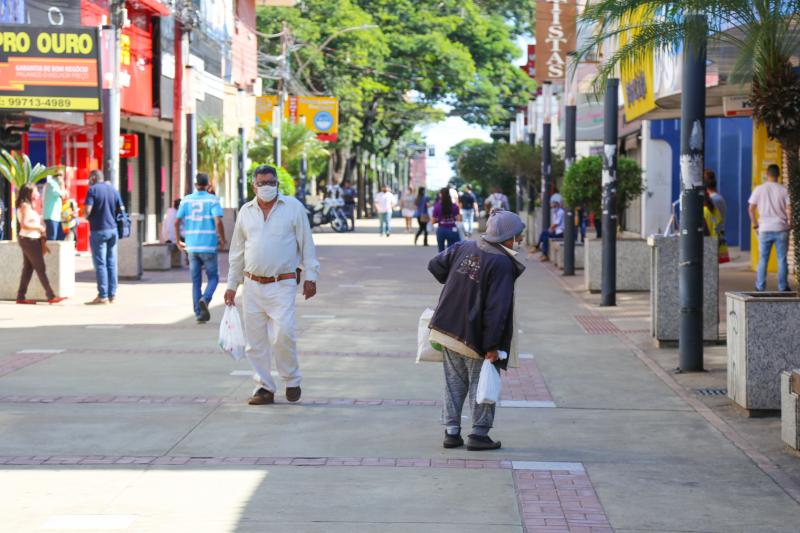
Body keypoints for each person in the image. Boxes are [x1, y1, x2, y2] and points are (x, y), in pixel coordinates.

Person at [427, 209, 526, 451]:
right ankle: (479, 434)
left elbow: (435, 264)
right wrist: (492, 346)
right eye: (518, 235)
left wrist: (458, 283)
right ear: (506, 237)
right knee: (480, 382)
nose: (521, 240)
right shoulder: (502, 262)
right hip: (475, 335)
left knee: (453, 382)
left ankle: (451, 432)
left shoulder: (465, 246)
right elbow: (497, 309)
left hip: (447, 327)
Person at [225, 164, 320, 405]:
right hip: (252, 285)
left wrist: (311, 276)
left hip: (283, 283)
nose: (267, 187)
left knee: (283, 335)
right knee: (255, 342)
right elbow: (237, 251)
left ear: (277, 183)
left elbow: (306, 244)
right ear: (253, 185)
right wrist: (232, 284)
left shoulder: (293, 208)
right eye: (262, 183)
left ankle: (292, 380)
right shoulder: (246, 212)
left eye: (271, 182)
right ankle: (264, 388)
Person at [175, 173, 226, 324]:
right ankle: (206, 298)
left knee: (196, 281)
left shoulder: (186, 200)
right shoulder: (213, 200)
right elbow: (218, 222)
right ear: (208, 185)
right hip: (208, 245)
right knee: (213, 277)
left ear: (195, 184)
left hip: (191, 246)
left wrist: (178, 241)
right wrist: (222, 239)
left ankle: (198, 313)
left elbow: (176, 222)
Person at [15, 183, 66, 304]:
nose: (38, 193)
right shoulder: (25, 206)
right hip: (29, 240)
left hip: (29, 239)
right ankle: (50, 295)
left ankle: (21, 296)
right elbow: (24, 224)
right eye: (35, 191)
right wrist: (39, 228)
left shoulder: (28, 206)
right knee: (40, 267)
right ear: (29, 193)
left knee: (28, 269)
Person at [749, 164, 791, 292]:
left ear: (767, 174)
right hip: (781, 228)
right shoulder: (784, 190)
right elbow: (789, 209)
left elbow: (751, 209)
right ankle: (783, 287)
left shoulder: (759, 189)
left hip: (764, 229)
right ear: (778, 175)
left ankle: (760, 287)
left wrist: (755, 224)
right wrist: (789, 223)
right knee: (782, 259)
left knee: (763, 259)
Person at [84, 169, 123, 305]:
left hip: (98, 230)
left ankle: (103, 295)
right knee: (111, 262)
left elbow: (87, 211)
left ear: (94, 178)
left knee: (100, 263)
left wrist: (85, 215)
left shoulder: (92, 190)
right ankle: (112, 294)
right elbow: (120, 210)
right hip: (113, 230)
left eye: (90, 178)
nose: (89, 181)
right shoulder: (113, 190)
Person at [432, 187, 461, 252]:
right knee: (451, 251)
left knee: (441, 251)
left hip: (441, 230)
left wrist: (440, 220)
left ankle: (442, 262)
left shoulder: (437, 206)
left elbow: (433, 221)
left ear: (440, 195)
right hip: (452, 230)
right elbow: (459, 219)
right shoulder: (455, 206)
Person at [43, 172, 66, 241]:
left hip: (56, 217)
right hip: (51, 216)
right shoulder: (52, 184)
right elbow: (62, 194)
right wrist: (62, 185)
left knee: (60, 237)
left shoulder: (54, 184)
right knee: (52, 238)